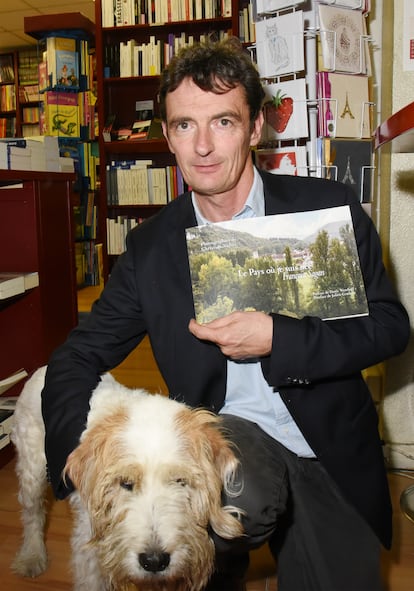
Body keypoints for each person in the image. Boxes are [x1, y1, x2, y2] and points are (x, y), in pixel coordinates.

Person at [42, 38, 410, 591]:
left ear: (256, 127)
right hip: (230, 442)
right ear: (167, 135)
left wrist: (276, 337)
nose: (204, 147)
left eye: (223, 122)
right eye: (185, 126)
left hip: (328, 441)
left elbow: (388, 327)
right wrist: (79, 467)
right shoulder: (150, 249)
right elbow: (77, 356)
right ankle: (220, 560)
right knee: (231, 495)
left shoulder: (325, 209)